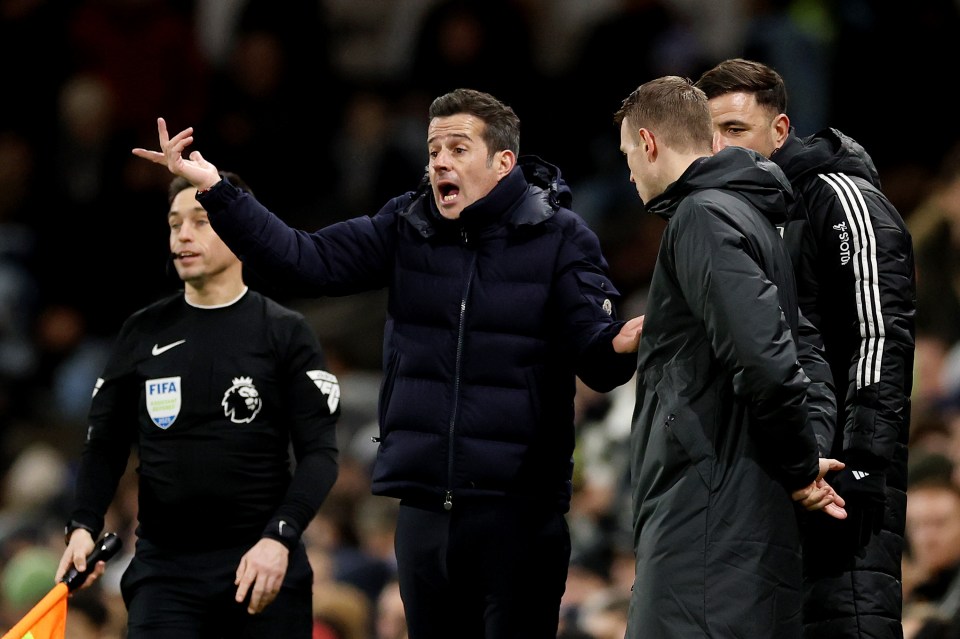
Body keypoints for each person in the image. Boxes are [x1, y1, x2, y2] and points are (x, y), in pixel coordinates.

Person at [132, 88, 644, 639]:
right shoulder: (407, 225)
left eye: (457, 147)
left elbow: (594, 351)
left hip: (518, 514)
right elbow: (306, 261)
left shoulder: (562, 237)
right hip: (423, 512)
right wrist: (215, 189)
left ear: (503, 162)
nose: (440, 161)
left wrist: (614, 346)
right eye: (433, 149)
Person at [55, 172, 342, 638]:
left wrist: (280, 537)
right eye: (174, 223)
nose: (183, 235)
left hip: (261, 564)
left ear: (241, 231)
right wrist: (83, 525)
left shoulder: (285, 332)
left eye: (202, 221)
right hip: (164, 572)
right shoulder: (143, 332)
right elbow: (104, 444)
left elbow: (321, 454)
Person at [613, 75, 847, 638]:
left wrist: (799, 466)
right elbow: (802, 349)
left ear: (648, 143)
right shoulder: (754, 219)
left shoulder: (703, 217)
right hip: (739, 520)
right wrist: (808, 452)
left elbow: (766, 361)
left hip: (706, 526)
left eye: (627, 157)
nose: (630, 173)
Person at [695, 58, 917, 639]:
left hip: (844, 482)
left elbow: (879, 333)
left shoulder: (838, 198)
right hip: (764, 489)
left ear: (781, 129)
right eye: (710, 133)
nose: (721, 146)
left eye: (737, 130)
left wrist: (863, 462)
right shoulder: (722, 221)